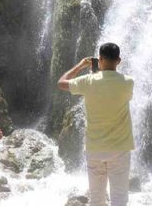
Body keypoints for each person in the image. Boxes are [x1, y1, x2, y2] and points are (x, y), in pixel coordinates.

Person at [57, 43, 134, 206]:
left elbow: (61, 82)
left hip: (95, 148)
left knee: (97, 199)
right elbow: (109, 86)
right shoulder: (128, 83)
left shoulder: (88, 82)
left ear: (99, 59)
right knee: (119, 199)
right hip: (120, 149)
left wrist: (80, 65)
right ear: (119, 60)